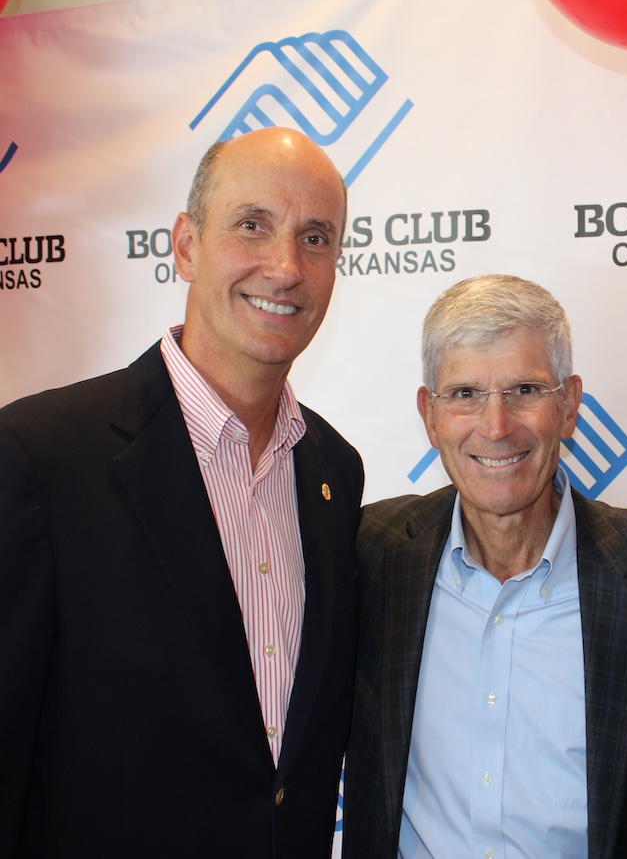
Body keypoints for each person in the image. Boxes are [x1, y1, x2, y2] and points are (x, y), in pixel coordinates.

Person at [0, 127, 363, 858]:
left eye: (315, 238)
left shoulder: (335, 470)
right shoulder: (41, 457)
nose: (285, 267)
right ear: (187, 246)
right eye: (252, 224)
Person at [341, 274, 627, 859]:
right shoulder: (371, 553)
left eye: (525, 389)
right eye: (465, 393)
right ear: (430, 416)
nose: (496, 426)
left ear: (569, 406)